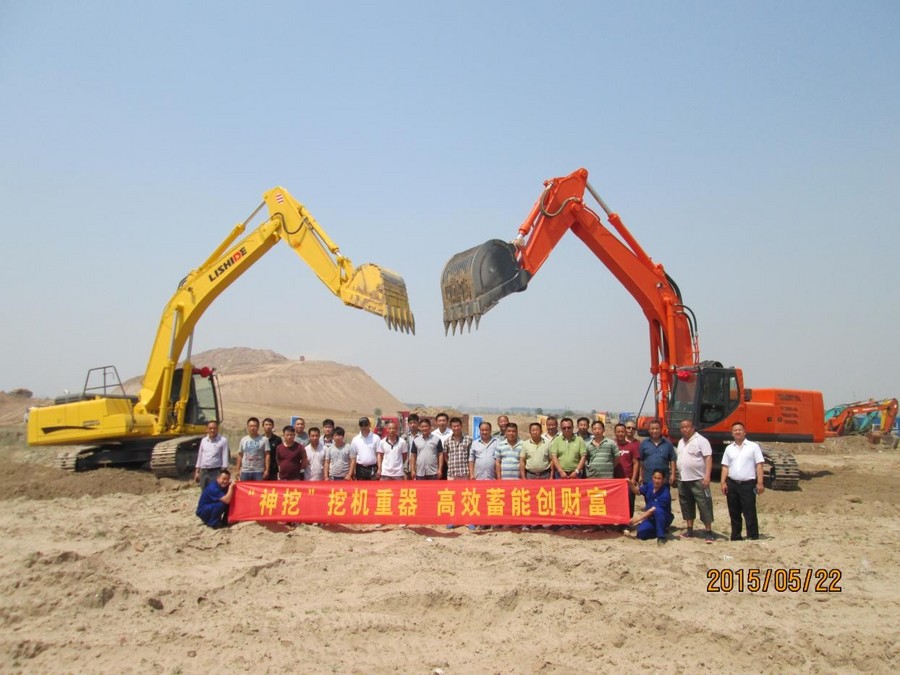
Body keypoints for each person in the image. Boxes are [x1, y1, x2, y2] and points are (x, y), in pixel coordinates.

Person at [720, 421, 765, 541]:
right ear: (732, 433)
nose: (737, 432)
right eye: (735, 430)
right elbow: (725, 466)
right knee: (734, 512)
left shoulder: (753, 447)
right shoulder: (729, 448)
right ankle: (736, 535)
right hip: (732, 484)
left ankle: (752, 535)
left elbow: (759, 465)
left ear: (745, 432)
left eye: (740, 430)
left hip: (748, 484)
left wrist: (760, 483)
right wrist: (723, 482)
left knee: (749, 511)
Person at [675, 419, 715, 542]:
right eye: (682, 427)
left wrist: (707, 476)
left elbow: (708, 458)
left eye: (687, 426)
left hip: (698, 479)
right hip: (683, 479)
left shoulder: (701, 440)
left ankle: (708, 532)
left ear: (693, 428)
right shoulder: (681, 442)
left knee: (704, 504)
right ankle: (689, 530)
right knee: (686, 505)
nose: (684, 429)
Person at [630, 469, 674, 545]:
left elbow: (653, 510)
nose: (656, 481)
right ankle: (660, 530)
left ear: (664, 480)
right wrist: (629, 483)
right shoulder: (649, 485)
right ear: (652, 478)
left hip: (663, 517)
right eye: (655, 478)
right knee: (641, 534)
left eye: (659, 478)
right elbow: (638, 492)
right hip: (650, 518)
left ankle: (661, 537)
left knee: (658, 510)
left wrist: (637, 519)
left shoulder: (665, 493)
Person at [614, 423, 641, 517]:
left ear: (625, 432)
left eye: (622, 432)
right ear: (615, 433)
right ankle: (617, 521)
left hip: (628, 480)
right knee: (616, 501)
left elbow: (636, 463)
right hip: (615, 480)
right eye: (618, 432)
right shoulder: (612, 446)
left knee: (629, 501)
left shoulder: (631, 446)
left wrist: (633, 479)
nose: (620, 434)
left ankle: (628, 521)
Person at [193, 420, 230, 489]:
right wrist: (197, 471)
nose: (212, 430)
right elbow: (200, 456)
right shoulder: (204, 440)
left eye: (214, 428)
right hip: (203, 471)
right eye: (210, 428)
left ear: (217, 429)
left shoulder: (223, 441)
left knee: (215, 490)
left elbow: (225, 457)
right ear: (207, 429)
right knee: (204, 491)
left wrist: (223, 472)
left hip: (216, 471)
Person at [640, 419, 676, 486]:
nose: (655, 431)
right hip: (648, 479)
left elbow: (672, 460)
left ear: (661, 429)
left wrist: (673, 474)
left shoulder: (668, 443)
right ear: (649, 430)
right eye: (652, 429)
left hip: (664, 481)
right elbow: (641, 461)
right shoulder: (644, 443)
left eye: (657, 429)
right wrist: (640, 476)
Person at [236, 417, 270, 481]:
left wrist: (267, 470)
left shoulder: (264, 440)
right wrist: (237, 470)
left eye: (255, 426)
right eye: (251, 426)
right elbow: (240, 455)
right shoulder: (243, 440)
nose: (253, 428)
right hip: (245, 471)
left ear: (258, 427)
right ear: (248, 427)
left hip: (258, 471)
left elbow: (267, 455)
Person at [444, 416, 472, 480]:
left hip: (464, 473)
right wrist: (450, 465)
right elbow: (445, 456)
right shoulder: (447, 441)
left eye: (458, 426)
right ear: (451, 427)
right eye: (454, 426)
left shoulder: (468, 439)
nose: (456, 428)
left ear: (461, 426)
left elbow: (471, 456)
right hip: (452, 473)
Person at [403, 413, 420, 479]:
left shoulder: (422, 436)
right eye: (411, 423)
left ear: (418, 423)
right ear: (408, 424)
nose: (412, 425)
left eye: (415, 423)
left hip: (419, 467)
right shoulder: (404, 437)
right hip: (406, 467)